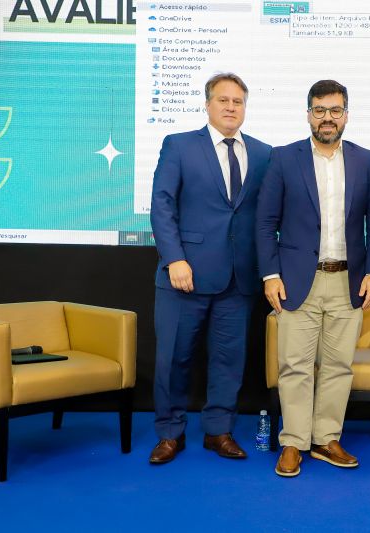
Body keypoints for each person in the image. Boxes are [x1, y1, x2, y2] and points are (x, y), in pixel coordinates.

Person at [256, 80, 370, 477]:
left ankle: (326, 439)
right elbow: (265, 222)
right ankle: (293, 442)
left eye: (335, 110)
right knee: (294, 366)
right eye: (319, 110)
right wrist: (270, 275)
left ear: (346, 115)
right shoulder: (284, 158)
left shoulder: (365, 160)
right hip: (297, 281)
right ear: (308, 114)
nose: (327, 118)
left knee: (338, 366)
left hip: (349, 282)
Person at [149, 72, 272, 464]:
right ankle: (170, 433)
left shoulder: (264, 153)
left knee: (228, 361)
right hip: (185, 275)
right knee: (173, 359)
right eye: (223, 100)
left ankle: (218, 431)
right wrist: (175, 258)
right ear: (207, 104)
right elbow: (162, 205)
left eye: (238, 101)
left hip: (239, 278)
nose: (231, 107)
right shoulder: (179, 145)